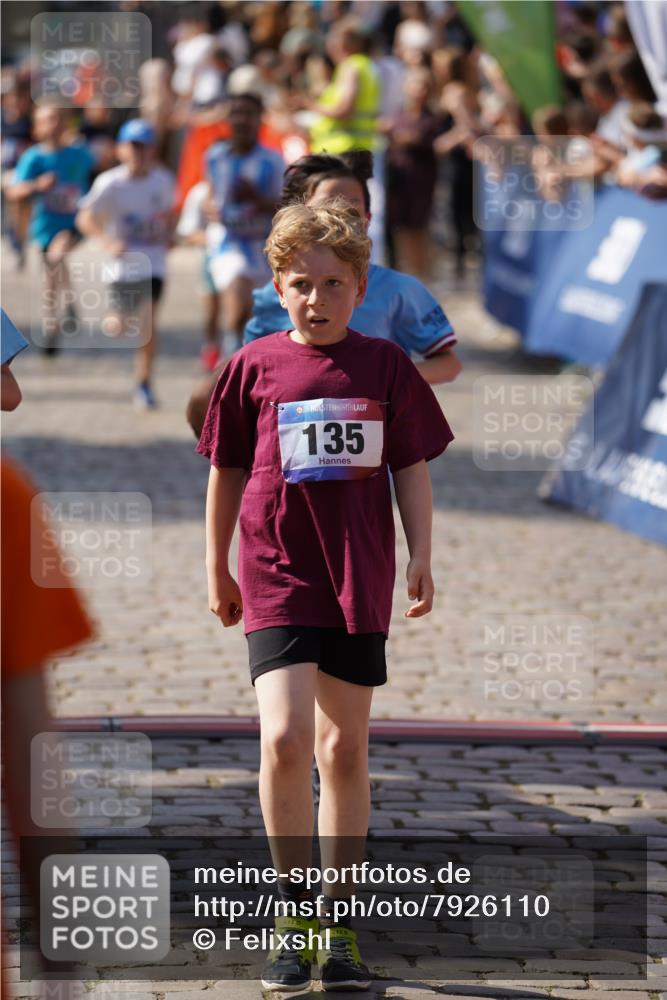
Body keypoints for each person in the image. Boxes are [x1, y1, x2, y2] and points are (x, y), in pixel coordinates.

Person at [197, 200, 454, 991]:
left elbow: (410, 463)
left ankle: (338, 925)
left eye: (333, 283)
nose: (316, 298)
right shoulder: (251, 367)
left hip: (357, 572)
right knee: (283, 741)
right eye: (301, 283)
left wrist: (420, 554)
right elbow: (225, 470)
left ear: (360, 284)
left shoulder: (384, 366)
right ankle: (291, 913)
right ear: (276, 286)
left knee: (343, 747)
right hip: (276, 568)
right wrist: (216, 564)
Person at [186, 152, 461, 437]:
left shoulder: (401, 289)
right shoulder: (275, 293)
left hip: (376, 457)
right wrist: (209, 394)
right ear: (305, 216)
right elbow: (253, 373)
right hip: (291, 451)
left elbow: (449, 364)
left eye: (351, 209)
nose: (340, 215)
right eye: (329, 206)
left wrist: (380, 381)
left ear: (367, 219)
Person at [76, 119, 176, 410]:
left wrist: (169, 234)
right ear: (121, 149)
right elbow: (85, 217)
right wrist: (107, 243)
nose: (138, 153)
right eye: (133, 147)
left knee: (148, 324)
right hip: (121, 265)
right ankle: (115, 319)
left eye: (144, 147)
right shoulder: (110, 182)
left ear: (153, 150)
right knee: (119, 326)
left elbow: (169, 213)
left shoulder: (163, 180)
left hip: (154, 263)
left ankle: (144, 383)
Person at [204, 92, 284, 366]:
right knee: (237, 305)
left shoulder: (273, 160)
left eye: (248, 114)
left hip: (263, 248)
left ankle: (245, 361)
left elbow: (286, 208)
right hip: (228, 243)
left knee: (256, 317)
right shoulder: (215, 156)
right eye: (235, 113)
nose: (241, 120)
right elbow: (211, 193)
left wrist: (257, 199)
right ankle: (230, 361)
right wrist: (209, 207)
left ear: (259, 119)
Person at [8, 103, 95, 354]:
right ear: (37, 128)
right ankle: (68, 304)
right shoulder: (34, 158)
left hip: (73, 223)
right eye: (47, 120)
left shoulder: (79, 153)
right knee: (54, 266)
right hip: (45, 226)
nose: (53, 124)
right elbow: (14, 190)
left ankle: (50, 326)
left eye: (58, 118)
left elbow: (99, 168)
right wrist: (37, 186)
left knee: (56, 258)